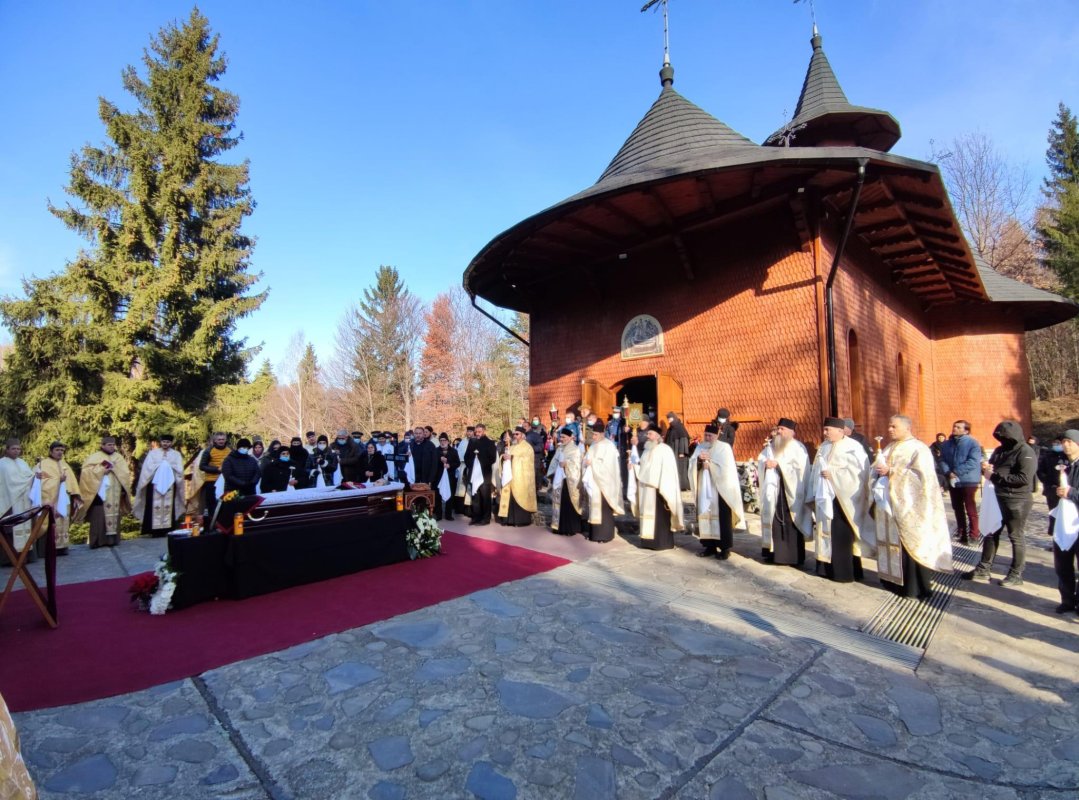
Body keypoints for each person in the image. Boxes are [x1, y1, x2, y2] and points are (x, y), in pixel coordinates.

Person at [872, 415, 953, 599]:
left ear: (907, 427)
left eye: (894, 426)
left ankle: (914, 587)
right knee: (893, 544)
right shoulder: (889, 447)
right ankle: (892, 580)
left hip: (910, 506)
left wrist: (892, 471)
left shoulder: (919, 448)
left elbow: (922, 477)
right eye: (889, 426)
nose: (890, 429)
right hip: (890, 504)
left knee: (911, 545)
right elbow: (878, 468)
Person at [963, 420, 1035, 586]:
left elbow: (1023, 478)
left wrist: (994, 476)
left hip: (1017, 500)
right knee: (990, 531)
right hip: (997, 497)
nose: (1002, 440)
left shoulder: (1025, 451)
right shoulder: (999, 450)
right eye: (999, 437)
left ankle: (1016, 574)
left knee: (1015, 536)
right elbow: (993, 467)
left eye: (1005, 437)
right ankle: (983, 569)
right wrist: (986, 468)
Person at [808, 417, 876, 582]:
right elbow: (816, 469)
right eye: (824, 430)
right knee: (825, 532)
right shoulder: (824, 447)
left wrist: (834, 475)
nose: (824, 433)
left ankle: (843, 572)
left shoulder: (853, 447)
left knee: (842, 535)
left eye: (827, 430)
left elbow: (859, 473)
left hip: (844, 501)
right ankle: (825, 568)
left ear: (840, 430)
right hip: (826, 498)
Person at [757, 419, 812, 566]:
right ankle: (774, 554)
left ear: (791, 432)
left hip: (791, 492)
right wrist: (764, 464)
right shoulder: (771, 446)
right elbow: (762, 459)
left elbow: (801, 469)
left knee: (790, 522)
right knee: (773, 521)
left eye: (782, 429)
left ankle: (792, 557)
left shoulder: (798, 448)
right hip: (773, 490)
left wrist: (779, 465)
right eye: (778, 428)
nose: (779, 431)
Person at [687, 423, 744, 560]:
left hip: (720, 490)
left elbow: (726, 467)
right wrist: (699, 462)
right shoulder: (700, 447)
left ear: (716, 435)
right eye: (706, 435)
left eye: (710, 435)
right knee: (705, 516)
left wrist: (710, 464)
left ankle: (725, 548)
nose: (707, 437)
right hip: (705, 487)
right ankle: (709, 546)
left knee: (722, 519)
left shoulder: (724, 448)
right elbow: (692, 463)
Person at [74, 435, 133, 549]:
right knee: (99, 517)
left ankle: (112, 540)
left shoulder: (118, 457)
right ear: (102, 445)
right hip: (99, 494)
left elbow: (125, 473)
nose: (111, 447)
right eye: (109, 445)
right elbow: (86, 473)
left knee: (114, 516)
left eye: (113, 445)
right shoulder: (94, 457)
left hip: (115, 493)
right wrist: (102, 471)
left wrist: (115, 469)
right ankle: (98, 541)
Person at [632, 425, 684, 550]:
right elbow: (644, 468)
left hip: (659, 489)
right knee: (648, 515)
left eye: (650, 434)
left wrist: (662, 484)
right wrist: (634, 467)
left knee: (660, 518)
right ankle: (647, 542)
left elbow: (668, 471)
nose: (647, 436)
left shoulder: (665, 450)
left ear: (657, 436)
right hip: (647, 489)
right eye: (647, 434)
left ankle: (662, 543)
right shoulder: (646, 450)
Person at [940, 420, 984, 544]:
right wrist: (948, 472)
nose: (955, 428)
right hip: (953, 479)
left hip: (968, 479)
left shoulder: (972, 443)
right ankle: (962, 532)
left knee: (970, 507)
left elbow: (973, 461)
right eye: (954, 426)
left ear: (966, 430)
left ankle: (974, 534)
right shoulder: (947, 444)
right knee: (957, 507)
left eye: (959, 427)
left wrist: (956, 472)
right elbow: (942, 459)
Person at [132, 434, 184, 537]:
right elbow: (147, 468)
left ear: (171, 443)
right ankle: (153, 530)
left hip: (170, 484)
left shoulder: (176, 454)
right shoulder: (153, 453)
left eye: (168, 442)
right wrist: (160, 466)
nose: (166, 444)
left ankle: (168, 528)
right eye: (164, 442)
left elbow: (179, 469)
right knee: (153, 506)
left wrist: (168, 466)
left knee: (169, 506)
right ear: (160, 442)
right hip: (154, 484)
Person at [1051, 429, 1079, 614]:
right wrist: (1054, 490)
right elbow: (1045, 482)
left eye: (1070, 441)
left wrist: (1071, 493)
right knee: (1062, 563)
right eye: (1063, 441)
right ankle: (1067, 600)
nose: (1065, 445)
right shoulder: (1060, 464)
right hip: (1062, 520)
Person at [36, 442, 82, 553]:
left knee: (63, 522)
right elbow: (39, 483)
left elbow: (72, 482)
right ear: (51, 451)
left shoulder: (64, 464)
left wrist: (75, 495)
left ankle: (62, 548)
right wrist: (58, 481)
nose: (60, 452)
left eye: (62, 450)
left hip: (64, 499)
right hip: (50, 499)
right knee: (50, 523)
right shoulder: (43, 465)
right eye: (57, 450)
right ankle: (48, 550)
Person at [584, 421, 624, 542]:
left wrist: (593, 463)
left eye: (595, 435)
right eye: (593, 435)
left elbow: (609, 467)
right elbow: (587, 459)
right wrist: (585, 462)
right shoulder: (593, 446)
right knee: (594, 507)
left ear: (602, 434)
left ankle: (605, 535)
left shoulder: (609, 446)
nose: (593, 437)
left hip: (605, 484)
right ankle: (595, 534)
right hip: (594, 482)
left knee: (604, 510)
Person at [0, 438, 36, 563]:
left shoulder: (23, 463)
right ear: (7, 449)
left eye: (18, 449)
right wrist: (28, 480)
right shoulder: (2, 464)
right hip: (10, 502)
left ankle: (27, 556)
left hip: (23, 501)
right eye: (13, 449)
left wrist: (36, 477)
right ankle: (10, 559)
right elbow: (10, 483)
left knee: (25, 528)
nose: (16, 451)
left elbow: (30, 478)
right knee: (11, 530)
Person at [498, 427, 537, 526]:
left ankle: (520, 521)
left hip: (521, 479)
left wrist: (513, 458)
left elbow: (527, 461)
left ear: (523, 435)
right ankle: (508, 520)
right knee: (510, 498)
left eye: (517, 434)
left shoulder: (527, 447)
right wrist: (504, 458)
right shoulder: (512, 446)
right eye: (514, 434)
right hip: (510, 477)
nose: (515, 436)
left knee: (519, 497)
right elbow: (506, 459)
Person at [548, 427, 584, 535]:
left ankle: (570, 528)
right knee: (559, 503)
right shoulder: (560, 448)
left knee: (568, 504)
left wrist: (566, 464)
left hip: (569, 482)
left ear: (570, 438)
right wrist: (551, 472)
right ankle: (558, 526)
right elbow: (554, 461)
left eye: (563, 437)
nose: (561, 439)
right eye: (561, 437)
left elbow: (577, 465)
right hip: (560, 480)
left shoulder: (575, 449)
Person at [464, 423, 497, 525]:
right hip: (474, 473)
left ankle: (485, 518)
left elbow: (492, 458)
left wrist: (480, 462)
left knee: (485, 497)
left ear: (484, 431)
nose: (477, 434)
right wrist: (473, 464)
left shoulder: (490, 443)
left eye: (479, 432)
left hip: (484, 474)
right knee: (475, 497)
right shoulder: (472, 442)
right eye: (476, 432)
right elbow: (466, 457)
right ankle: (476, 517)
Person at [1037, 436, 1067, 539]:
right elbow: (1040, 471)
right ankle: (1055, 539)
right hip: (1052, 490)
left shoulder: (1067, 456)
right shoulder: (1047, 456)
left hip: (1066, 491)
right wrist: (1049, 483)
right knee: (1054, 515)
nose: (1056, 445)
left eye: (1058, 443)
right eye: (1055, 443)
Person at [198, 432, 231, 516]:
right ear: (215, 440)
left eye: (223, 439)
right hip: (212, 481)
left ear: (226, 440)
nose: (221, 441)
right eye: (219, 439)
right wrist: (217, 469)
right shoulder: (208, 451)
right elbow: (202, 466)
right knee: (212, 505)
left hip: (227, 481)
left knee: (227, 503)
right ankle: (212, 525)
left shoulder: (230, 450)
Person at [433, 433, 460, 521]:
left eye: (444, 440)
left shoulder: (453, 451)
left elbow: (457, 463)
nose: (442, 442)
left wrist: (450, 465)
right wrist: (439, 459)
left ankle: (448, 514)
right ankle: (439, 514)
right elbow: (432, 463)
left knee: (450, 495)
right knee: (438, 496)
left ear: (448, 441)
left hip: (450, 477)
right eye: (441, 440)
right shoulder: (436, 451)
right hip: (438, 476)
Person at [664, 412, 691, 491]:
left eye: (670, 419)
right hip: (672, 451)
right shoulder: (671, 428)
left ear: (674, 418)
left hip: (679, 452)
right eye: (668, 419)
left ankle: (682, 485)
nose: (669, 421)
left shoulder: (680, 427)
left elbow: (684, 439)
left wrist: (682, 452)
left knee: (680, 468)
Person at [525, 417, 547, 491]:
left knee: (535, 478)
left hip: (535, 459)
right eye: (523, 426)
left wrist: (531, 449)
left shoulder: (535, 435)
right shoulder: (522, 436)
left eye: (526, 426)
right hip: (525, 460)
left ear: (529, 427)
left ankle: (537, 495)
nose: (524, 428)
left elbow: (540, 446)